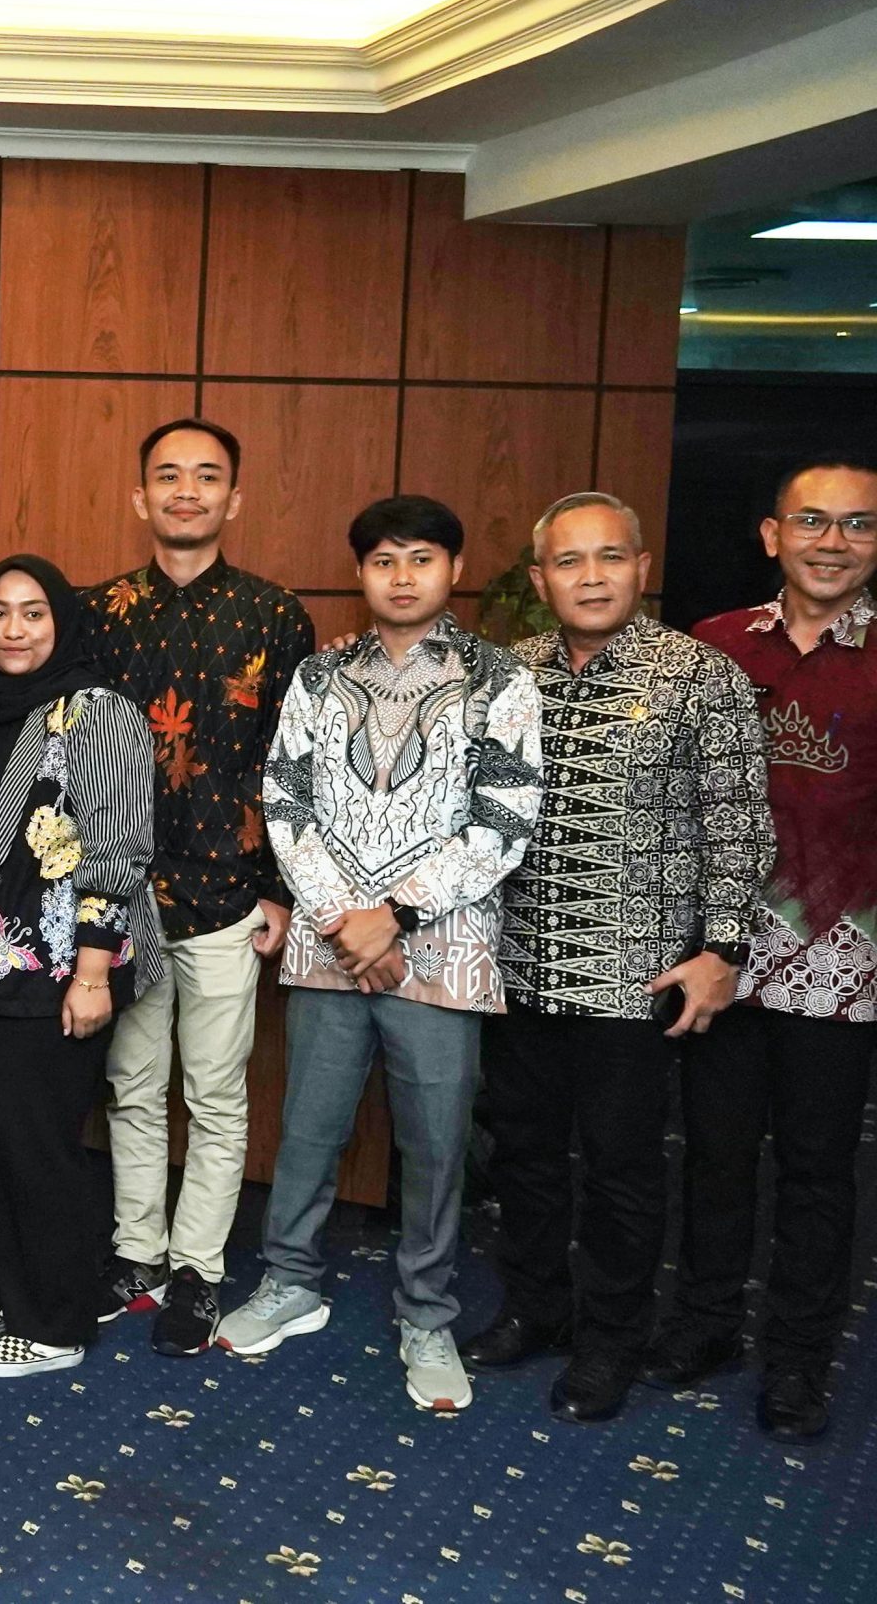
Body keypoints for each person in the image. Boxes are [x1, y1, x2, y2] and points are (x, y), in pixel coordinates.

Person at [222, 495, 542, 1415]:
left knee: (436, 1144)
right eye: (384, 561)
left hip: (446, 948)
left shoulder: (500, 679)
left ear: (453, 570)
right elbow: (285, 800)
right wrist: (344, 919)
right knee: (309, 1127)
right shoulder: (320, 675)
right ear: (361, 573)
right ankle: (289, 1279)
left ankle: (428, 1313)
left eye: (422, 558)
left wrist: (393, 916)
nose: (403, 576)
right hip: (330, 944)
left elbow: (505, 818)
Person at [464, 493, 772, 1423]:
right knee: (522, 1154)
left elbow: (738, 823)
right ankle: (536, 1307)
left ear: (642, 567)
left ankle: (611, 1338)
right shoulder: (508, 675)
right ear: (539, 579)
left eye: (609, 557)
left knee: (621, 1168)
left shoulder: (700, 676)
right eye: (568, 561)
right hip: (518, 963)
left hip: (632, 974)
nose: (590, 576)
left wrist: (723, 948)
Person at [83, 417, 316, 1356]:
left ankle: (197, 1269)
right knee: (132, 1086)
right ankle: (136, 1253)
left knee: (216, 1095)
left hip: (229, 892)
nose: (187, 490)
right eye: (169, 475)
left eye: (207, 476)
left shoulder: (276, 615)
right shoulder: (96, 612)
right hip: (123, 897)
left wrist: (281, 888)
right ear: (140, 496)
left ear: (234, 497)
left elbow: (296, 764)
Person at [658, 457, 877, 1442]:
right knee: (711, 1152)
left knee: (818, 1169)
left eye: (858, 524)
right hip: (722, 952)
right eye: (813, 520)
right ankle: (705, 1325)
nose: (833, 542)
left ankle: (797, 1359)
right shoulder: (709, 647)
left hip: (844, 959)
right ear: (772, 534)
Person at [0, 555, 162, 1380]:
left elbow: (120, 848)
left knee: (37, 1148)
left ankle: (55, 1322)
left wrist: (93, 973)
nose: (13, 629)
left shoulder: (99, 712)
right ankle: (3, 1287)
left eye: (33, 613)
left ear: (61, 623)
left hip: (53, 967)